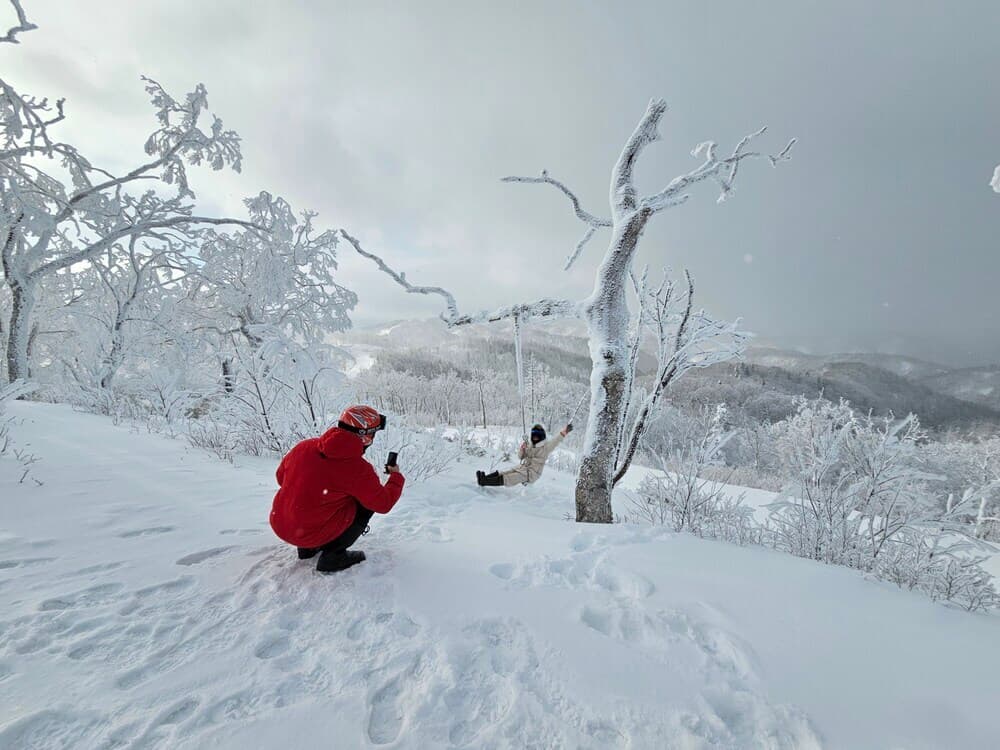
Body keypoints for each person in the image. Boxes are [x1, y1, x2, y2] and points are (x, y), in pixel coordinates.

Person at [269, 405, 404, 573]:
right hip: (310, 533)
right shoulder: (357, 468)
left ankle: (307, 549)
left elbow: (280, 478)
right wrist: (396, 477)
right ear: (366, 437)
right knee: (366, 504)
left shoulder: (304, 446)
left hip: (282, 525)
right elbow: (383, 504)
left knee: (314, 493)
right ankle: (333, 557)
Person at [476, 422, 572, 487]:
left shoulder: (545, 448)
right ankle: (484, 478)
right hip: (522, 468)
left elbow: (556, 440)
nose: (534, 438)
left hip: (531, 474)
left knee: (510, 478)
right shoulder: (530, 445)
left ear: (541, 436)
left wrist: (564, 432)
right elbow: (520, 457)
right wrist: (522, 449)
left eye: (537, 436)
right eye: (533, 436)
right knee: (504, 472)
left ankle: (484, 482)